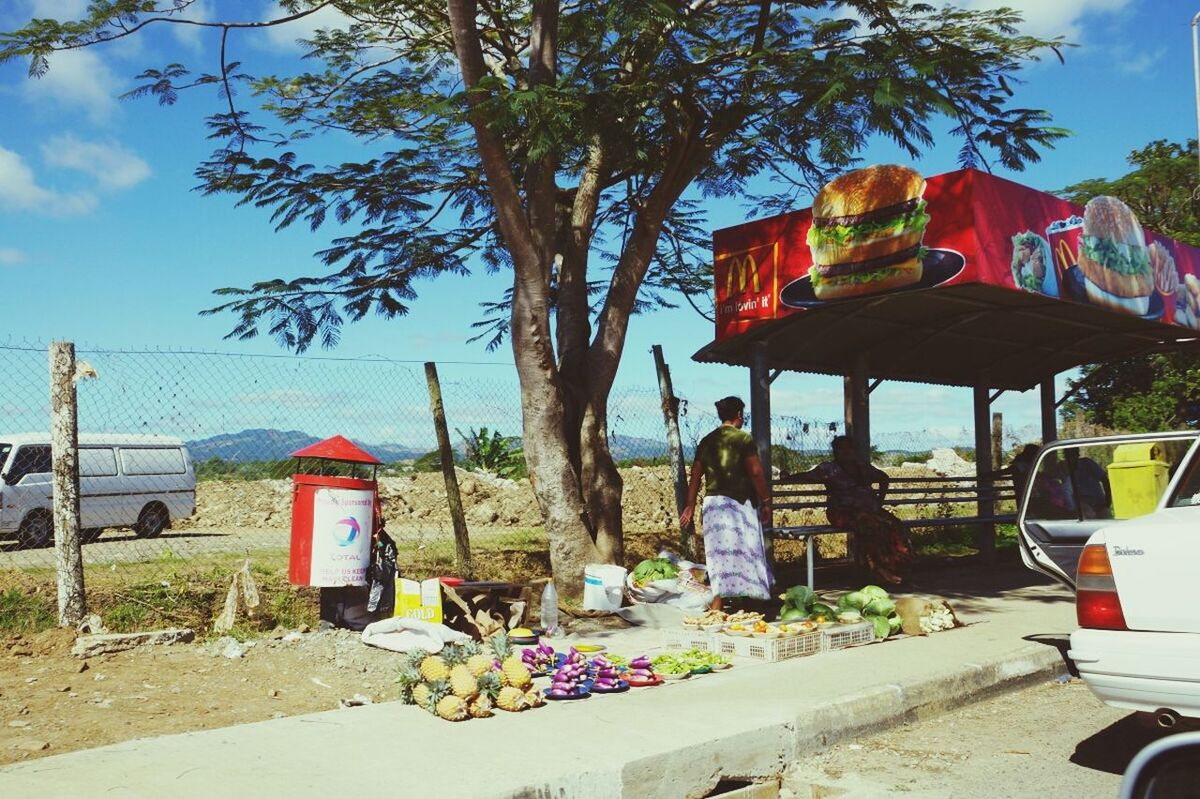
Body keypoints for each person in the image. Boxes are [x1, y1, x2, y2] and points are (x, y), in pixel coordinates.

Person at [678, 396, 773, 611]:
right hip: (740, 506)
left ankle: (718, 604)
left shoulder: (708, 440)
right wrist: (766, 501)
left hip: (714, 506)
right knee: (746, 552)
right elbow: (756, 473)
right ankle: (750, 601)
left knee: (718, 556)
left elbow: (695, 476)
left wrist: (690, 505)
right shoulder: (743, 439)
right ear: (739, 414)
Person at [788, 435, 911, 586]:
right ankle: (880, 571)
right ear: (835, 451)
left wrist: (880, 500)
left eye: (849, 448)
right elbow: (807, 476)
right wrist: (787, 477)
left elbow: (883, 478)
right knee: (872, 526)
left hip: (870, 511)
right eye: (841, 448)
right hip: (843, 512)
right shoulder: (829, 469)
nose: (846, 452)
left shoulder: (863, 467)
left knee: (896, 525)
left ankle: (897, 567)